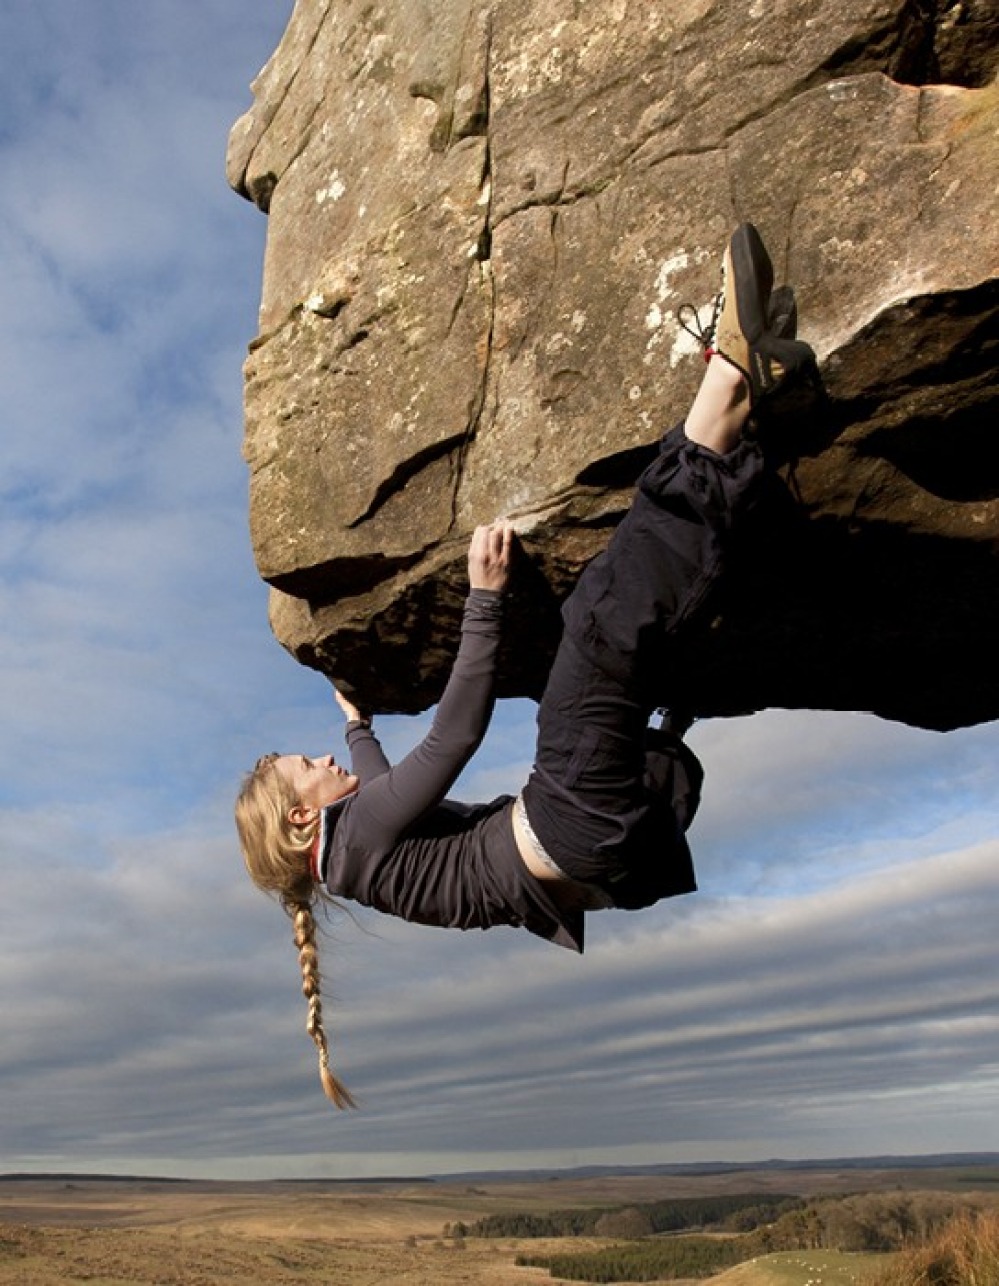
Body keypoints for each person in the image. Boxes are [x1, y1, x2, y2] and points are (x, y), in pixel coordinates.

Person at [235, 223, 818, 1108]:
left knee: (642, 650)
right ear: (300, 826)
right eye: (303, 771)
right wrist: (484, 598)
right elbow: (455, 738)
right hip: (566, 820)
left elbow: (384, 777)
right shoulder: (355, 843)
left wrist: (355, 723)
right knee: (589, 628)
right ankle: (729, 389)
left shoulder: (352, 856)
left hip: (593, 848)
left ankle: (747, 447)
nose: (320, 761)